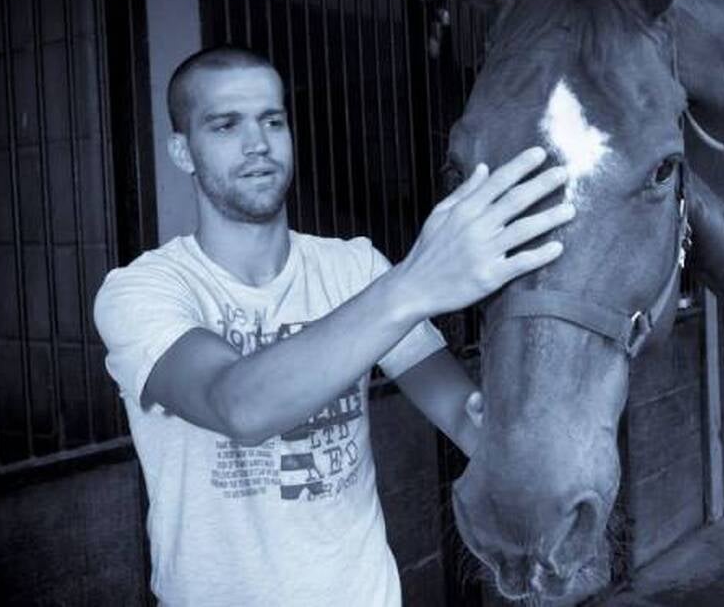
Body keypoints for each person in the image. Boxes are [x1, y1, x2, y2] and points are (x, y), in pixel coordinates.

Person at [92, 46, 575, 605]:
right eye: (225, 125)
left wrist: (528, 417)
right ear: (182, 150)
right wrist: (417, 282)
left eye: (273, 120)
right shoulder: (140, 291)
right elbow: (238, 407)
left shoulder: (354, 269)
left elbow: (462, 418)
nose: (258, 144)